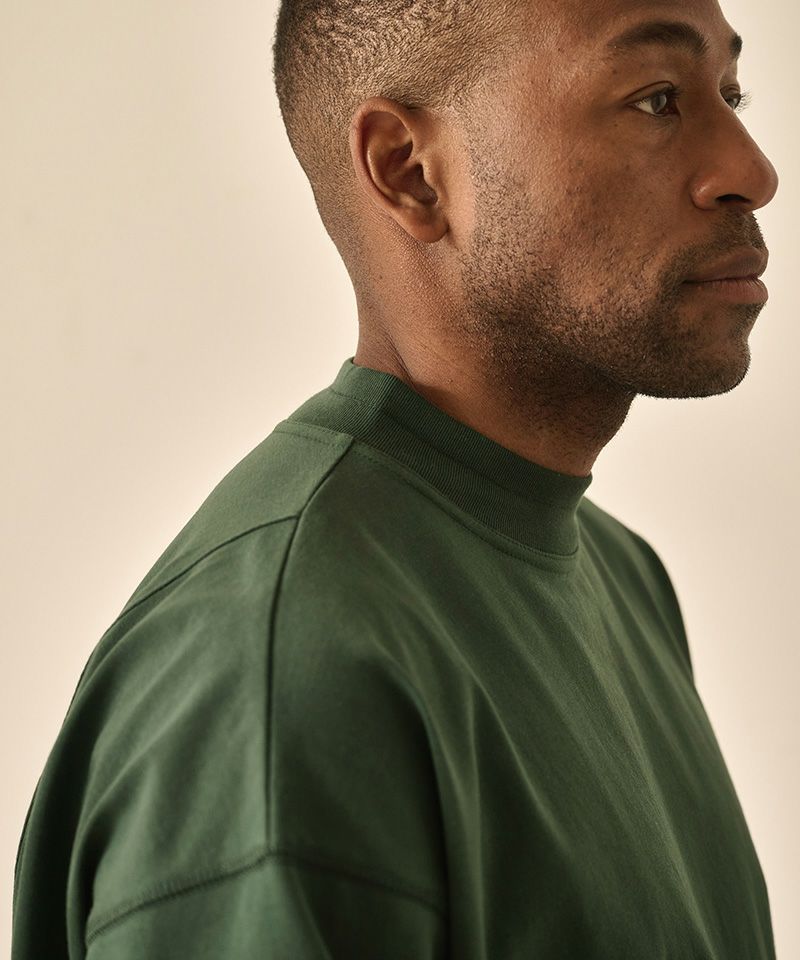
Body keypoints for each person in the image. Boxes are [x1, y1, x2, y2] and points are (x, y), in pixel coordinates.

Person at [12, 0, 779, 956]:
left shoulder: (624, 581)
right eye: (657, 99)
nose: (752, 172)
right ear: (411, 172)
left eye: (730, 93)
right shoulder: (282, 670)